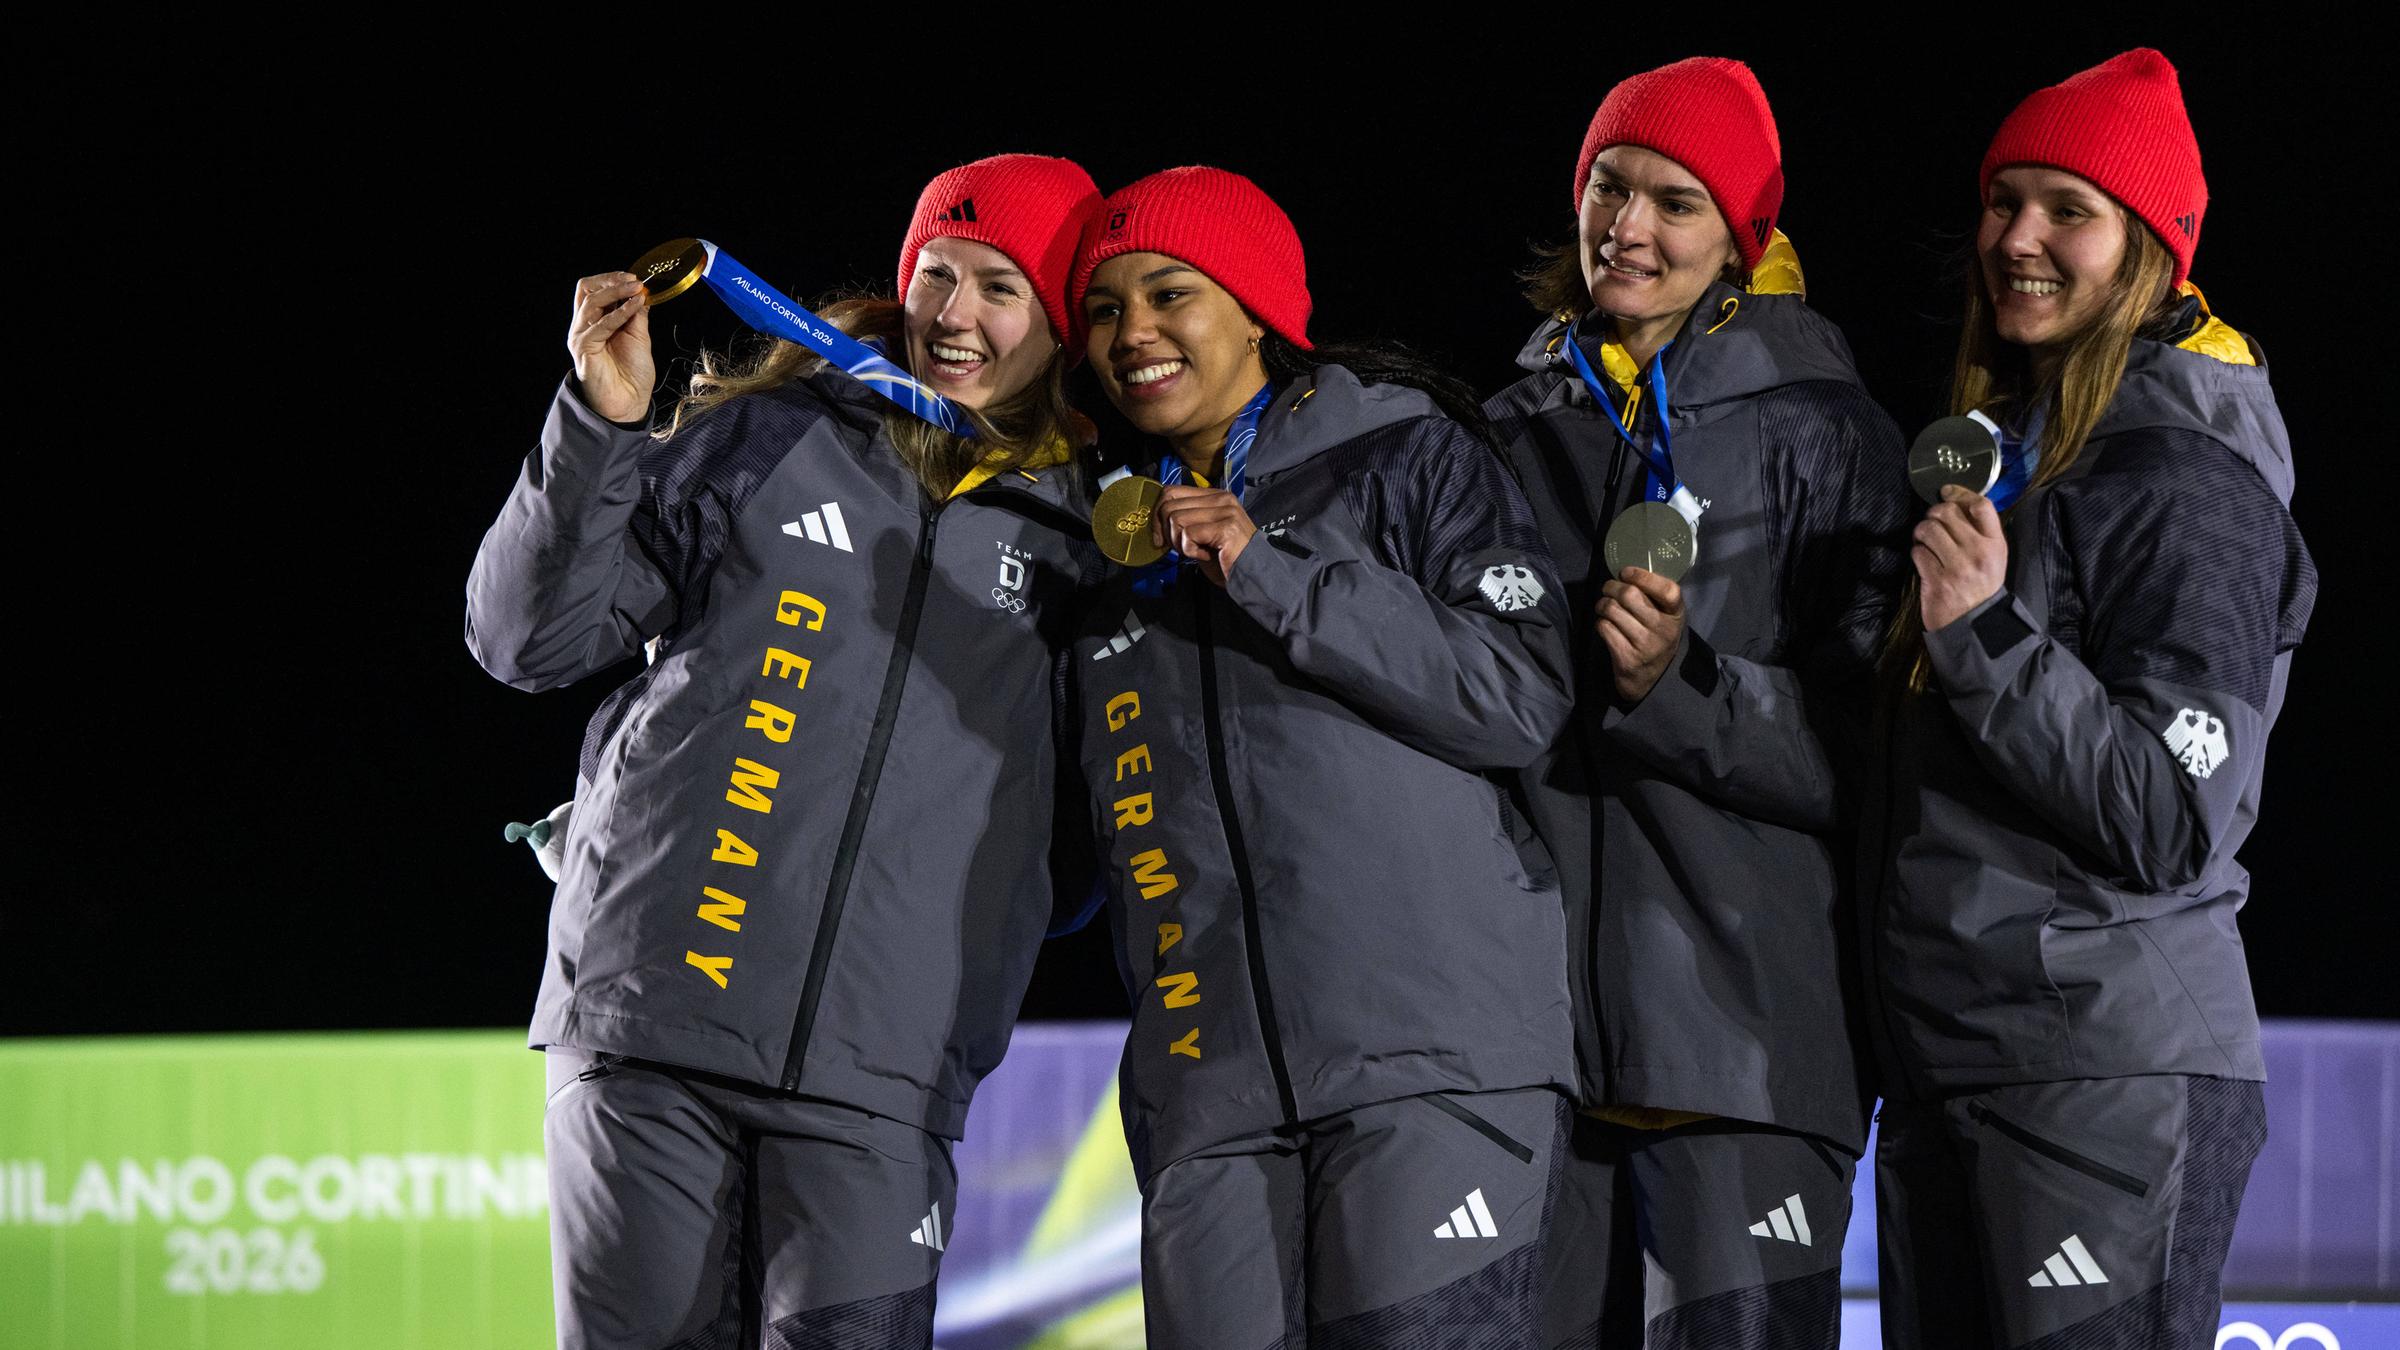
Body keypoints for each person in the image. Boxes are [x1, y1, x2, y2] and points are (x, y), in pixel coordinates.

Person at [464, 152, 1103, 1349]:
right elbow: (527, 640)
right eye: (939, 274)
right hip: (656, 1025)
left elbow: (1078, 838)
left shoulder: (1088, 531)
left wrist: (959, 918)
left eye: (1001, 287)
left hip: (883, 1076)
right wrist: (600, 422)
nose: (953, 315)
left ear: (1061, 323)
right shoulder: (776, 430)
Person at [1067, 165, 1579, 1345]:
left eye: (1168, 294)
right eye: (1105, 308)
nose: (1133, 331)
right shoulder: (1104, 547)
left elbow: (1520, 694)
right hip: (1208, 1096)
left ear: (1254, 311)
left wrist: (1270, 573)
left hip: (1430, 1066)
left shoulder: (1400, 451)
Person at [1862, 50, 2316, 1348]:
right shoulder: (2025, 454)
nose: (2018, 239)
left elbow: (2179, 813)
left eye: (2069, 209)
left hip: (2103, 1069)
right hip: (1962, 1061)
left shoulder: (2188, 472)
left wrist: (1988, 641)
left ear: (2152, 248)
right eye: (2005, 202)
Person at [1482, 57, 1911, 1349]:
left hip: (1745, 1048)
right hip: (1543, 1055)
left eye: (1675, 201)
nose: (1629, 226)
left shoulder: (1828, 434)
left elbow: (1872, 757)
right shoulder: (1513, 427)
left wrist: (1683, 686)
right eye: (1610, 187)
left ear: (1744, 235)